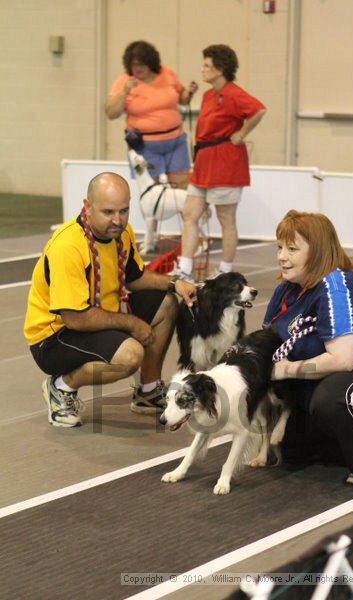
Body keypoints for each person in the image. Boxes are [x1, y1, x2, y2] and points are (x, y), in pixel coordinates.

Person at [23, 172, 196, 428]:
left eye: (124, 211)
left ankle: (148, 392)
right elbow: (75, 318)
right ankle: (61, 387)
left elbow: (134, 277)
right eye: (108, 212)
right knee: (130, 355)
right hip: (53, 338)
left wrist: (174, 283)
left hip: (97, 315)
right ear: (87, 207)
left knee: (167, 302)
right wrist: (132, 324)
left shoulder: (121, 233)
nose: (118, 220)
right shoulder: (68, 246)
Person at [264, 210, 353, 487]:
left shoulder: (336, 286)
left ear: (317, 252)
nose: (281, 256)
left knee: (332, 400)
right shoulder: (285, 291)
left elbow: (342, 361)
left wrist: (286, 369)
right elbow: (268, 343)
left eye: (292, 249)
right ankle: (345, 439)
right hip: (317, 382)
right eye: (279, 247)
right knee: (294, 450)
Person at [171, 44, 266, 281]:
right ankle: (185, 267)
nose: (202, 69)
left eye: (207, 65)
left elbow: (259, 110)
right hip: (204, 163)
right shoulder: (207, 95)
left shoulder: (234, 93)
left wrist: (241, 134)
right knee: (190, 214)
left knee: (225, 218)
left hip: (226, 164)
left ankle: (225, 270)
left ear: (220, 69)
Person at [105, 40, 198, 189]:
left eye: (142, 64)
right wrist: (125, 92)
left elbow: (182, 99)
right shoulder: (124, 80)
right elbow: (111, 113)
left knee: (182, 188)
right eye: (134, 65)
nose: (138, 68)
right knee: (151, 191)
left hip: (176, 141)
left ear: (151, 63)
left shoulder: (167, 73)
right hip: (144, 146)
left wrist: (190, 93)